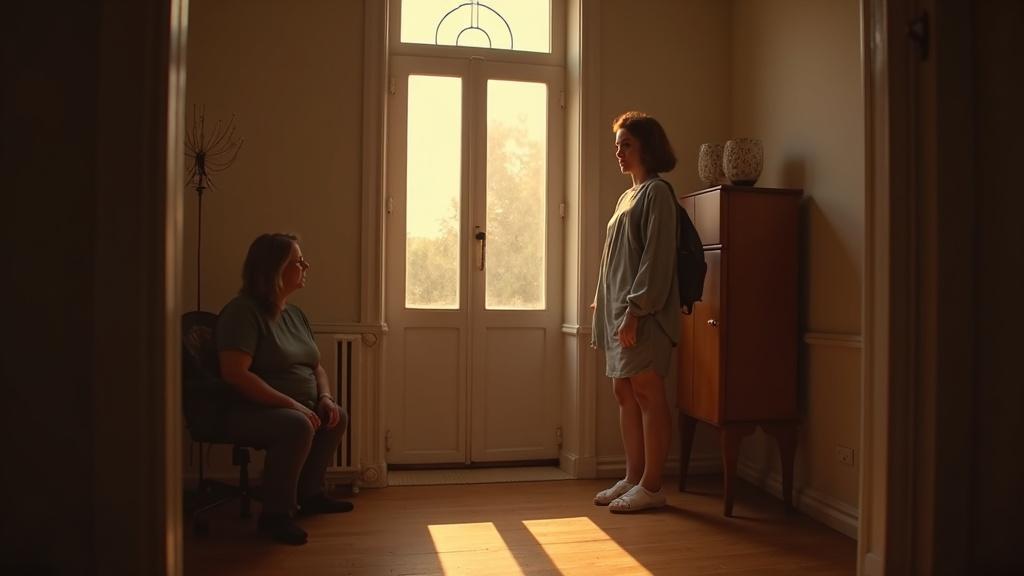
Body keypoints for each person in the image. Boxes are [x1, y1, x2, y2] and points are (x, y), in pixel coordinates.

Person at [216, 233, 353, 545]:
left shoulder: (295, 314)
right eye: (298, 261)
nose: (306, 266)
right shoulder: (243, 312)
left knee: (337, 416)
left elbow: (316, 366)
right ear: (274, 269)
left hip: (295, 407)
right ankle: (275, 515)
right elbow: (235, 373)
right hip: (249, 409)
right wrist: (293, 405)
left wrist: (325, 398)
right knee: (296, 425)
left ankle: (310, 494)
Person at [592, 111, 680, 513]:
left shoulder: (657, 193)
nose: (619, 152)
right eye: (617, 145)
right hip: (618, 311)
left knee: (647, 391)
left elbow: (656, 259)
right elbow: (615, 258)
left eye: (626, 144)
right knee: (624, 392)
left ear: (647, 147)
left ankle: (652, 485)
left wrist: (636, 311)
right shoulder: (626, 197)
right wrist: (603, 301)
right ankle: (632, 477)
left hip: (643, 315)